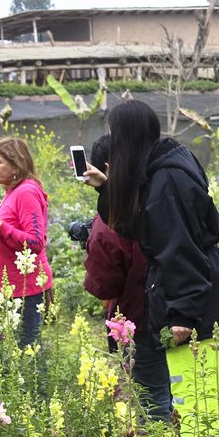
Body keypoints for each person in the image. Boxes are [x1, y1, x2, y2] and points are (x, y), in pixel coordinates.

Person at [84, 99, 219, 437]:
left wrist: (183, 313)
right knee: (197, 405)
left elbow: (180, 248)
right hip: (200, 296)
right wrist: (106, 188)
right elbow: (140, 228)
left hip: (198, 307)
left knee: (198, 406)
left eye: (115, 135)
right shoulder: (165, 166)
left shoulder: (167, 180)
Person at [82, 134, 171, 420]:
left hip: (138, 319)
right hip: (179, 310)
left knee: (151, 398)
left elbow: (104, 282)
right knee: (178, 392)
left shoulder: (111, 218)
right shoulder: (162, 194)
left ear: (104, 169)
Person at [0, 136, 53, 346]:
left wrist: (0, 224)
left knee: (28, 353)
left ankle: (40, 382)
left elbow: (35, 242)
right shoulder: (11, 192)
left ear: (16, 164)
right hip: (9, 288)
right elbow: (11, 234)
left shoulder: (26, 192)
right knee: (14, 354)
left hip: (25, 289)